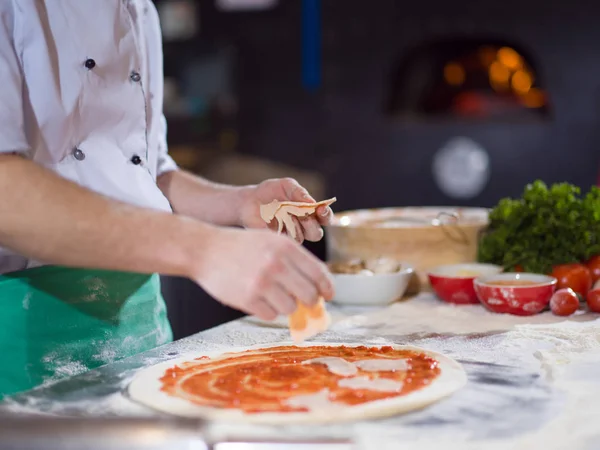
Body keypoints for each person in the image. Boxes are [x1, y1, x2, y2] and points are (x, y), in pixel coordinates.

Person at [0, 1, 334, 397]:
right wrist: (204, 250)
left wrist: (241, 203)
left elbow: (147, 173)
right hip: (26, 335)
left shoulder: (137, 8)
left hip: (142, 324)